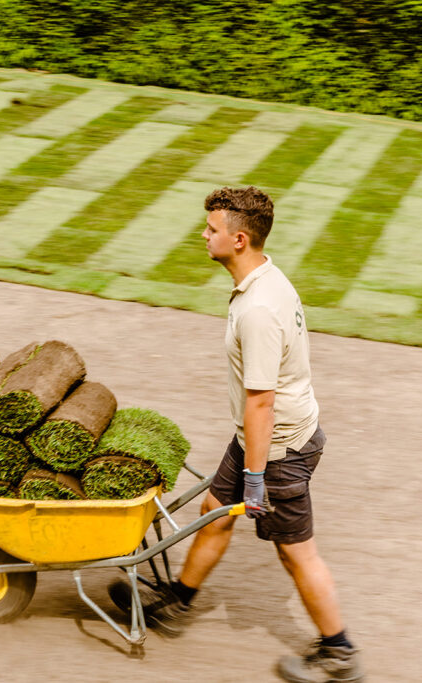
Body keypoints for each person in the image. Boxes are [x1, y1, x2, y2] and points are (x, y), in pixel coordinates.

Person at [108, 186, 364, 682]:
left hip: (277, 447)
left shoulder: (258, 311)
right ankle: (178, 602)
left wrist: (254, 475)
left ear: (239, 239)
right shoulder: (264, 277)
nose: (203, 235)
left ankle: (339, 651)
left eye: (211, 230)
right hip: (261, 438)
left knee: (295, 552)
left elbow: (261, 401)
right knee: (214, 513)